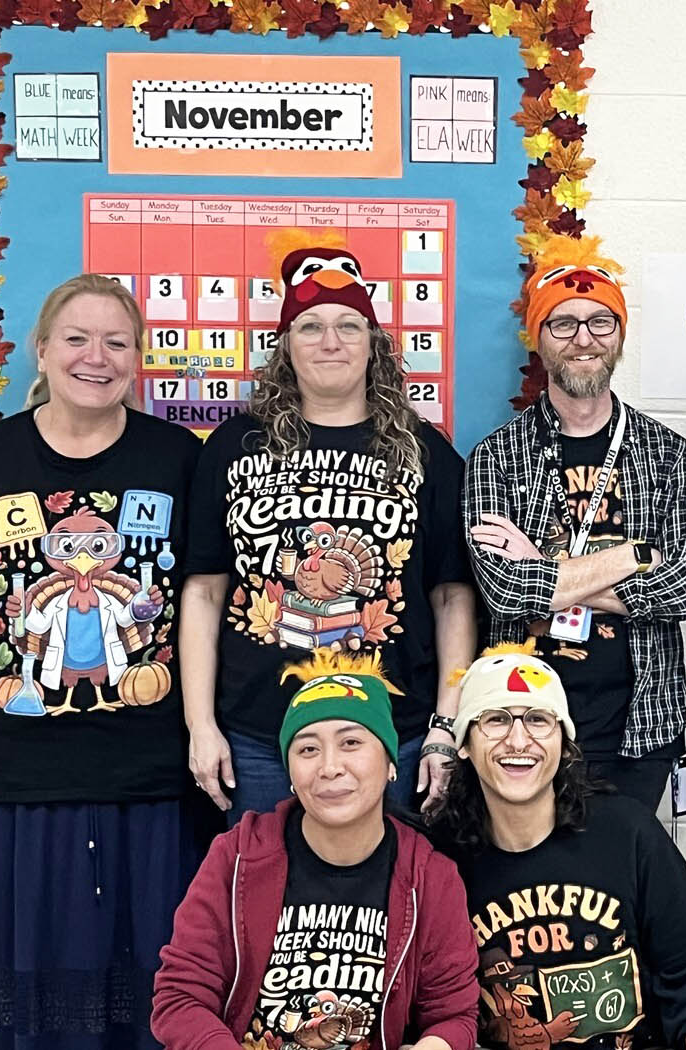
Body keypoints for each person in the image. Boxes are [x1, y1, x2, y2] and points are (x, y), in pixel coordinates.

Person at [0, 272, 202, 1049]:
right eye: (77, 338)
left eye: (116, 342)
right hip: (7, 777)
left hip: (149, 777)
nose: (97, 357)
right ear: (42, 348)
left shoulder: (178, 460)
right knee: (17, 994)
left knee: (150, 987)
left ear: (139, 359)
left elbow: (206, 604)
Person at [182, 234, 476, 824]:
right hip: (258, 739)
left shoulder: (427, 452)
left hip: (395, 735)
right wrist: (200, 726)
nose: (331, 341)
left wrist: (447, 725)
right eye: (311, 326)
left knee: (390, 903)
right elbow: (204, 592)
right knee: (261, 900)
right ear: (285, 345)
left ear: (375, 344)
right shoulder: (235, 446)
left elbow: (452, 597)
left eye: (349, 325)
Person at [462, 236, 686, 810]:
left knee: (621, 888)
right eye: (563, 324)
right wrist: (636, 554)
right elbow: (504, 593)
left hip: (641, 721)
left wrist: (539, 566)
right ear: (539, 340)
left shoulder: (668, 454)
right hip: (519, 721)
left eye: (601, 322)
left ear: (620, 335)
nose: (583, 340)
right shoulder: (495, 456)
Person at [153, 649, 479, 1050]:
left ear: (391, 764)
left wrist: (437, 1044)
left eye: (351, 742)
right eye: (308, 749)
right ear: (289, 771)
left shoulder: (429, 876)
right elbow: (180, 998)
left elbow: (454, 1015)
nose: (329, 767)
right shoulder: (237, 857)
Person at [429, 642, 686, 1050]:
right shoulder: (439, 859)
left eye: (539, 720)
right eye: (496, 720)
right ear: (465, 745)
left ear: (564, 743)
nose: (518, 740)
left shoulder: (627, 833)